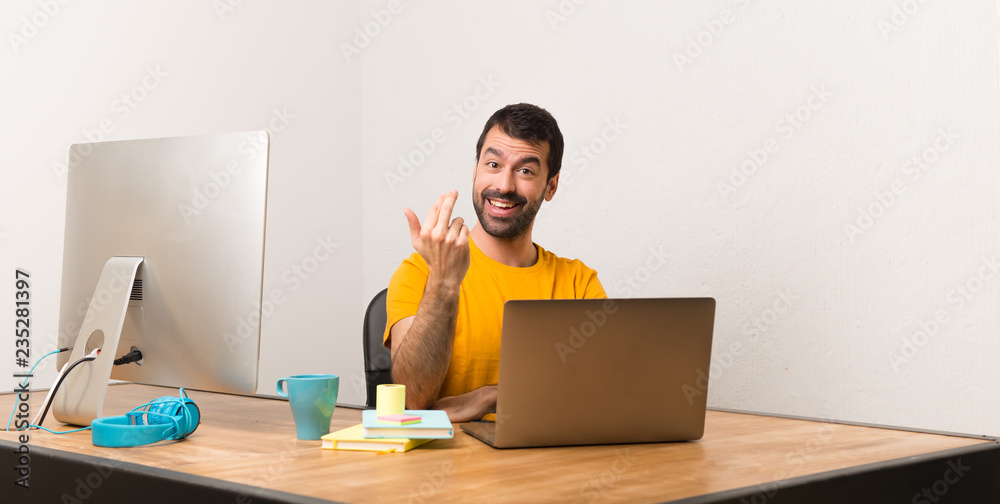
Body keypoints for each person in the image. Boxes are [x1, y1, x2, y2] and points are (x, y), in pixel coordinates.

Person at [383, 103, 606, 422]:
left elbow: (598, 396)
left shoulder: (578, 284)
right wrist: (444, 282)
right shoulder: (420, 272)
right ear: (475, 171)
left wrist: (490, 397)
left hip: (547, 452)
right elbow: (412, 400)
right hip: (446, 453)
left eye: (525, 171)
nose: (504, 185)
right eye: (493, 164)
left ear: (551, 186)